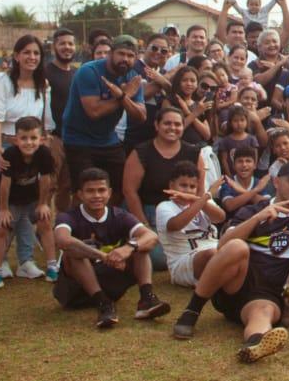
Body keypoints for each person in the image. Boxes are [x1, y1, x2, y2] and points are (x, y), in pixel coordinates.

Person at [170, 161, 289, 362]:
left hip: (267, 294)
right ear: (276, 182)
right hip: (237, 284)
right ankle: (192, 310)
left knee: (263, 313)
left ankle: (254, 345)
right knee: (237, 246)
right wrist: (258, 218)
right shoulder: (254, 210)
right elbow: (223, 244)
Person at [52, 168, 169, 328]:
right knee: (73, 252)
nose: (97, 196)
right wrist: (102, 256)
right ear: (80, 194)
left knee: (140, 246)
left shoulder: (119, 215)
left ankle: (146, 299)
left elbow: (151, 236)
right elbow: (62, 240)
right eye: (90, 191)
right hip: (75, 290)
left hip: (111, 282)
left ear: (109, 192)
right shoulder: (68, 217)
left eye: (101, 190)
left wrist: (128, 248)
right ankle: (102, 303)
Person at [0, 34, 57, 279]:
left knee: (27, 206)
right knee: (2, 208)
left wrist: (42, 147)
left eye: (36, 53)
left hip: (31, 152)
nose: (32, 57)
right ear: (16, 56)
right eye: (26, 52)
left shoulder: (43, 85)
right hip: (2, 148)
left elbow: (46, 124)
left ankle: (26, 260)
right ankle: (0, 261)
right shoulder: (2, 81)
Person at [60, 36, 148, 202]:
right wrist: (126, 95)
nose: (125, 59)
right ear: (110, 54)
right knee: (85, 191)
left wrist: (123, 96)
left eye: (130, 56)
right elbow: (94, 111)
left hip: (108, 139)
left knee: (119, 188)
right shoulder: (89, 71)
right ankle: (77, 225)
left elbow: (141, 116)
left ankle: (107, 224)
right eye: (121, 54)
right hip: (79, 139)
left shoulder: (133, 76)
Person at [0, 116, 60, 292]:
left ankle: (52, 266)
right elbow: (4, 184)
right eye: (24, 138)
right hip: (10, 199)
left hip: (32, 198)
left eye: (33, 138)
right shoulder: (10, 155)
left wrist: (43, 204)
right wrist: (3, 209)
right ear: (15, 139)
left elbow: (46, 180)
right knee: (2, 227)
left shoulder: (44, 154)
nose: (29, 143)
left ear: (41, 139)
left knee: (45, 220)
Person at [122, 105, 204, 268]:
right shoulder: (141, 152)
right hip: (150, 212)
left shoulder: (193, 152)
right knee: (159, 260)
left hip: (184, 213)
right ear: (157, 125)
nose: (172, 128)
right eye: (167, 123)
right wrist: (144, 226)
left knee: (198, 251)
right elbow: (129, 191)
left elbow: (200, 191)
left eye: (177, 124)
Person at [154, 161, 225, 288]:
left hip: (215, 250)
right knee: (212, 254)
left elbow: (220, 217)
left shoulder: (202, 202)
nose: (187, 190)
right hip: (183, 263)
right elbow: (175, 225)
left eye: (192, 187)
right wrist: (206, 196)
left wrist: (197, 200)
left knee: (238, 247)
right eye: (183, 185)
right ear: (171, 185)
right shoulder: (164, 207)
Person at [43, 28, 78, 211]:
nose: (67, 47)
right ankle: (42, 228)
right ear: (54, 47)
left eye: (70, 43)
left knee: (66, 187)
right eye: (62, 43)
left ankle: (61, 229)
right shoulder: (45, 72)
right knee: (48, 185)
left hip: (73, 139)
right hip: (52, 138)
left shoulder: (77, 73)